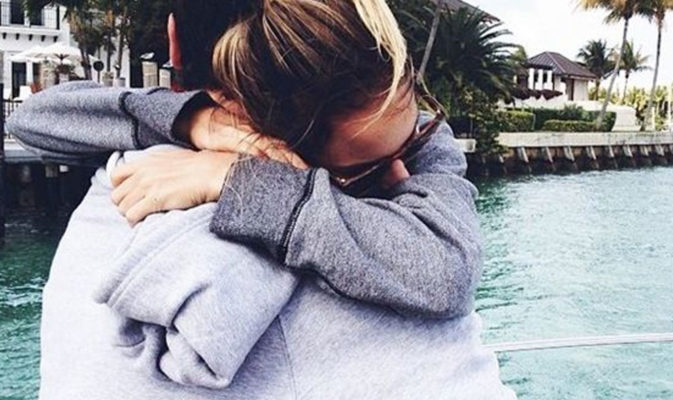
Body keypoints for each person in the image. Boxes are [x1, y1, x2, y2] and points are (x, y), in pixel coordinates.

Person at [8, 0, 516, 398]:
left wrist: (242, 180)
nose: (401, 176)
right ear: (257, 127)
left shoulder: (415, 135)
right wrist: (193, 119)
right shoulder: (213, 137)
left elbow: (446, 269)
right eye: (358, 173)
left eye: (410, 145)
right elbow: (34, 119)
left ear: (173, 45)